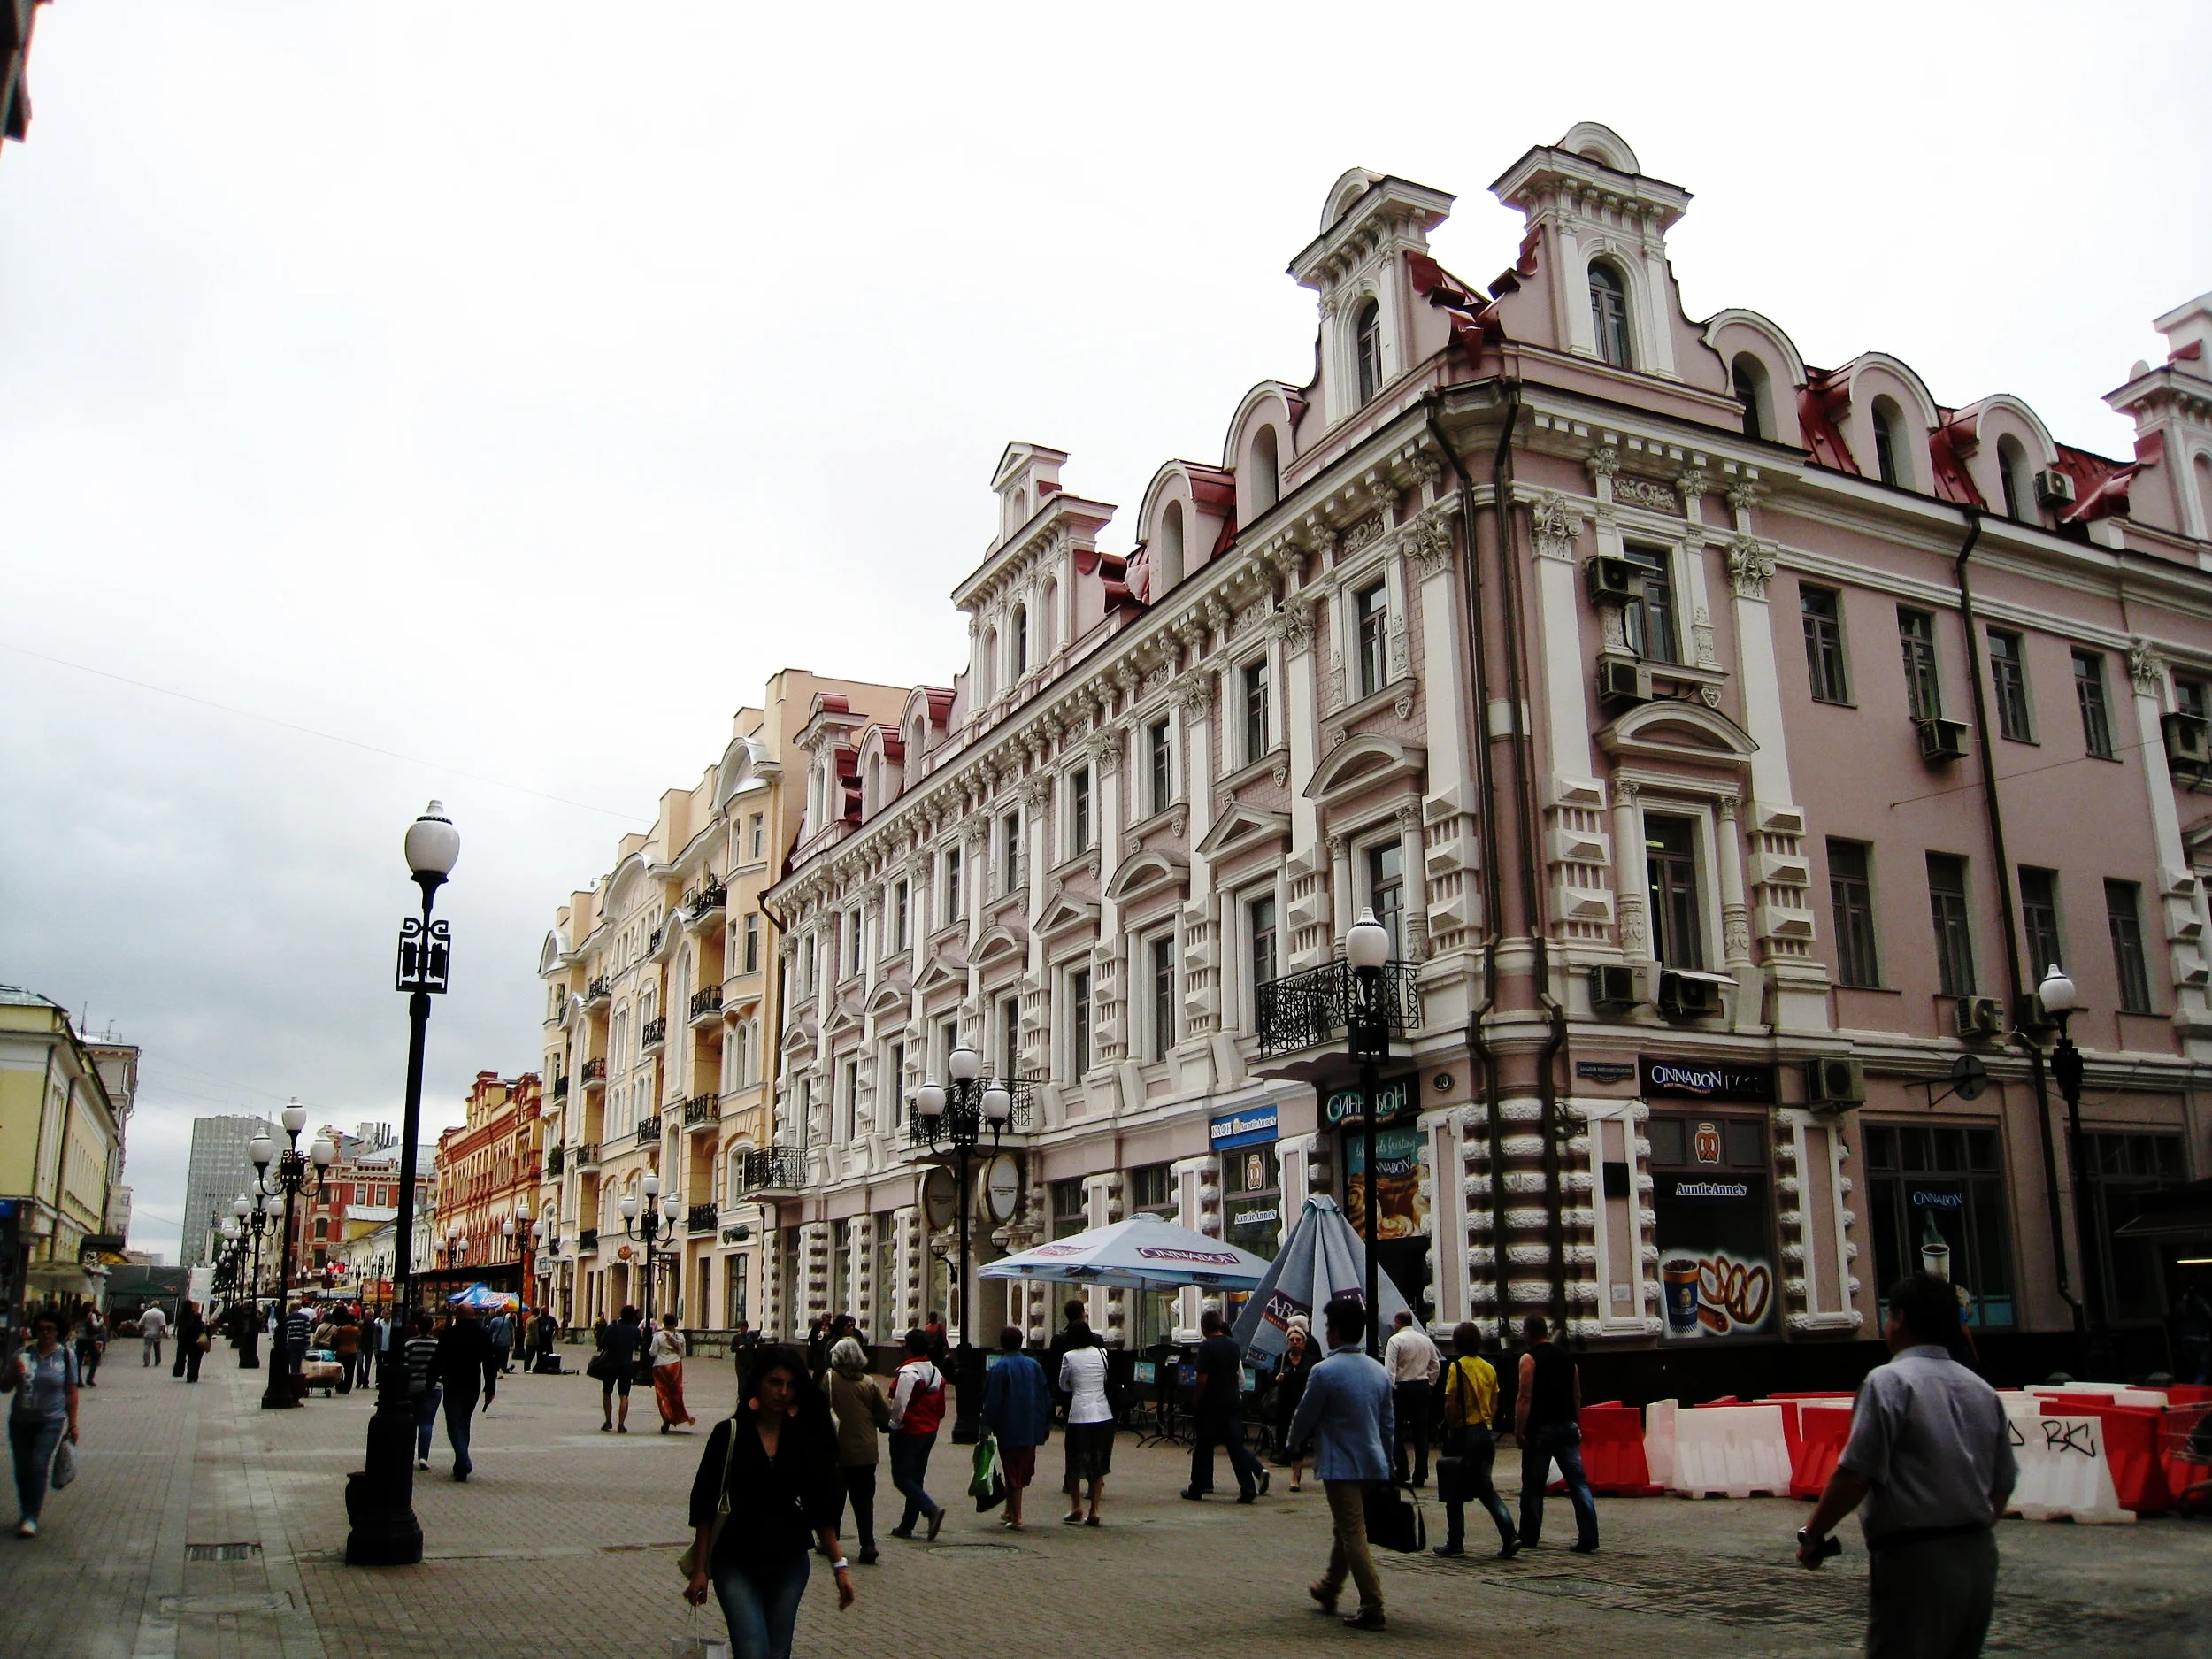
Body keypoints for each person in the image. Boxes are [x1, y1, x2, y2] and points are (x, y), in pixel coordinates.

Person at [1796, 1271, 2019, 1659]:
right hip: (1978, 1556)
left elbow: (1855, 1475)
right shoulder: (1982, 1391)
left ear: (1898, 1319)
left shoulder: (1889, 1382)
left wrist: (1812, 1536)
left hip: (1914, 1560)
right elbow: (2003, 1483)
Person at [684, 1345, 854, 1659]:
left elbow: (819, 1508)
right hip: (735, 1562)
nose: (783, 1392)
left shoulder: (803, 1438)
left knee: (777, 1652)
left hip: (789, 1563)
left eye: (790, 1385)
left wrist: (839, 1566)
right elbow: (705, 1506)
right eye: (775, 1382)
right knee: (753, 1650)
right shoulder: (729, 1434)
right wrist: (699, 1571)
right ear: (758, 1383)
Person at [1285, 1296, 1394, 1631]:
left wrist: (1292, 1443)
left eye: (1328, 1327)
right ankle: (1330, 1586)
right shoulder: (1378, 1372)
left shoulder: (1324, 1372)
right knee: (1345, 1527)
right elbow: (1388, 1424)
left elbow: (1305, 1414)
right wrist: (1388, 1462)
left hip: (1341, 1465)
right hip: (1372, 1462)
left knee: (1352, 1532)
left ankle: (1372, 1603)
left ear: (1335, 1331)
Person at [1433, 1322, 1518, 1559]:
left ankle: (1456, 1541)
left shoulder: (1457, 1367)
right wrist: (1487, 1421)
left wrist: (1451, 1428)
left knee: (1453, 1488)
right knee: (1485, 1488)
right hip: (1485, 1432)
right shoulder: (1488, 1367)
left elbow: (1450, 1404)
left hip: (1464, 1433)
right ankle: (1509, 1534)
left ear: (1457, 1342)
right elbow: (1494, 1402)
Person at [1515, 1313, 1597, 1553]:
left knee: (1533, 1485)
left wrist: (1519, 1430)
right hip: (1567, 1426)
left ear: (1528, 1333)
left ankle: (1529, 1535)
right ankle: (1589, 1536)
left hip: (1541, 1429)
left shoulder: (1529, 1359)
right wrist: (1575, 1422)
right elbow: (1577, 1395)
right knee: (1578, 1483)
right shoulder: (1568, 1360)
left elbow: (1525, 1397)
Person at [4, 1310, 81, 1538]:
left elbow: (71, 1391)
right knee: (22, 1469)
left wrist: (73, 1425)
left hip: (51, 1421)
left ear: (58, 1331)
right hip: (20, 1420)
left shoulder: (66, 1356)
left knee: (38, 1465)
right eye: (41, 1329)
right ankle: (25, 1509)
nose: (45, 1333)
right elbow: (4, 1387)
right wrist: (14, 1375)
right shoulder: (23, 1355)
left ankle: (31, 1516)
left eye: (50, 1329)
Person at [1181, 1307, 1267, 1502]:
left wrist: (1196, 1398)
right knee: (1235, 1446)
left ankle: (1197, 1487)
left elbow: (1202, 1378)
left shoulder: (1207, 1347)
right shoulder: (1233, 1345)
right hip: (1232, 1401)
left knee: (1203, 1446)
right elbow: (1236, 1373)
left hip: (1211, 1403)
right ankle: (1248, 1488)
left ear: (1204, 1327)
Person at [980, 1326, 1052, 1530]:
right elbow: (1045, 1395)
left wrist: (985, 1427)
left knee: (1012, 1469)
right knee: (1023, 1467)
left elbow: (992, 1401)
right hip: (1031, 1424)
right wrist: (1046, 1422)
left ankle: (1017, 1515)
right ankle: (1009, 1509)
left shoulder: (999, 1368)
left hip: (1009, 1425)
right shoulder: (1034, 1365)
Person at [826, 1335, 889, 1563]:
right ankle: (868, 1544)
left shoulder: (830, 1380)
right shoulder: (869, 1383)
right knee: (863, 1499)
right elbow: (884, 1415)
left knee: (834, 1497)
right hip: (865, 1450)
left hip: (837, 1448)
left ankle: (831, 1540)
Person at [886, 1327, 947, 1540]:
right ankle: (907, 1525)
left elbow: (899, 1406)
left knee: (901, 1478)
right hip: (929, 1431)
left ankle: (930, 1509)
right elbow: (941, 1409)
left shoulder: (908, 1373)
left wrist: (893, 1427)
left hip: (910, 1431)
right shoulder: (936, 1373)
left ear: (909, 1348)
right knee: (916, 1478)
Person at [1057, 1325, 1113, 1525]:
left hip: (1079, 1415)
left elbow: (1063, 1384)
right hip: (1103, 1413)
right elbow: (1106, 1379)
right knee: (1098, 1463)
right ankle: (1095, 1510)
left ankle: (1076, 1507)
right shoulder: (1102, 1353)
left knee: (1074, 1462)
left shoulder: (1069, 1357)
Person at [434, 1307, 494, 1481]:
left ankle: (463, 1459)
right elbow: (489, 1362)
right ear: (473, 1315)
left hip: (452, 1383)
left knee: (453, 1423)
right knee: (464, 1422)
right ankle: (460, 1464)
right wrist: (490, 1387)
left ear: (458, 1316)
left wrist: (430, 1382)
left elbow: (438, 1359)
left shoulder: (449, 1334)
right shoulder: (482, 1334)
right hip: (472, 1384)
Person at [1384, 1309, 1442, 1486]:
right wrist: (1429, 1382)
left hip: (1402, 1388)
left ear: (1397, 1323)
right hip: (1421, 1386)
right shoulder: (1425, 1340)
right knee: (1421, 1432)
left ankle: (1402, 1468)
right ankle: (1421, 1473)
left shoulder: (1395, 1340)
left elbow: (1389, 1370)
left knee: (1395, 1430)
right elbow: (1435, 1366)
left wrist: (1390, 1390)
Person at [1270, 1317, 1317, 1493]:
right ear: (1287, 1342)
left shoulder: (1311, 1361)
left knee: (1300, 1442)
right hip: (1285, 1407)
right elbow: (1270, 1379)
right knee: (1285, 1441)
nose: (1295, 1343)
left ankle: (1295, 1476)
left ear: (1304, 1343)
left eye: (1298, 1340)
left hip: (1303, 1406)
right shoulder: (1282, 1359)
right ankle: (1293, 1467)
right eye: (1292, 1340)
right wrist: (1277, 1378)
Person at [403, 1313, 442, 1470]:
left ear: (417, 1327)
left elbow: (404, 1365)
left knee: (411, 1422)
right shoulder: (437, 1345)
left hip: (412, 1387)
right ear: (432, 1327)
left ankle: (407, 1455)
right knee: (427, 1423)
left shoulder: (409, 1344)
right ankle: (423, 1456)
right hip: (433, 1388)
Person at [598, 1305, 644, 1432]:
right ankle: (621, 1424)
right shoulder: (634, 1330)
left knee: (607, 1393)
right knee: (624, 1395)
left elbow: (603, 1343)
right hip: (626, 1365)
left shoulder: (612, 1327)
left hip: (610, 1365)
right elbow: (639, 1344)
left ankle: (608, 1421)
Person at [652, 1311, 697, 1433]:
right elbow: (683, 1354)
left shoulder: (658, 1336)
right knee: (676, 1392)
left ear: (664, 1323)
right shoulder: (680, 1337)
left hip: (660, 1366)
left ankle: (667, 1415)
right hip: (675, 1366)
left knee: (662, 1393)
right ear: (675, 1323)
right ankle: (678, 1415)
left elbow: (653, 1352)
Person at [2172, 1286, 2212, 1386]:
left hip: (2191, 1340)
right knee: (2202, 1370)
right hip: (2194, 1341)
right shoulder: (2187, 1305)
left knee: (2200, 1369)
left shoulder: (2198, 1304)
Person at [175, 1300, 207, 1385]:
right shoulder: (195, 1316)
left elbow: (178, 1326)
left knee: (182, 1357)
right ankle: (192, 1376)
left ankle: (181, 1372)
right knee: (193, 1360)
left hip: (183, 1340)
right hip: (194, 1342)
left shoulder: (181, 1315)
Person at [486, 1306, 513, 1398]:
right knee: (504, 1357)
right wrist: (512, 1341)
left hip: (496, 1342)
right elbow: (511, 1331)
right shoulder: (508, 1321)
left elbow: (490, 1332)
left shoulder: (494, 1321)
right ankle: (501, 1369)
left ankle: (497, 1370)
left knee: (496, 1357)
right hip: (506, 1342)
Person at [74, 1309, 105, 1387]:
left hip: (79, 1339)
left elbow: (76, 1328)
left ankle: (78, 1379)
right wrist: (101, 1321)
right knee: (95, 1357)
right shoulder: (91, 1316)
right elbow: (95, 1326)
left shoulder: (78, 1317)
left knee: (79, 1359)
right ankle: (90, 1378)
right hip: (89, 1339)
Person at [332, 1311, 360, 1397]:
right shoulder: (356, 1330)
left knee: (339, 1370)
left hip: (341, 1351)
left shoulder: (340, 1329)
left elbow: (336, 1337)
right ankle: (347, 1388)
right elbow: (358, 1339)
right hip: (352, 1351)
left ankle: (339, 1386)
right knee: (350, 1371)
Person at [138, 1302, 168, 1368]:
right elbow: (163, 1325)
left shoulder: (146, 1313)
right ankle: (157, 1361)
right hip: (157, 1333)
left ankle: (146, 1362)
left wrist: (143, 1331)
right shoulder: (161, 1313)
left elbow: (140, 1324)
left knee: (147, 1347)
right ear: (159, 1306)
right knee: (157, 1348)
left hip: (148, 1333)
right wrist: (163, 1332)